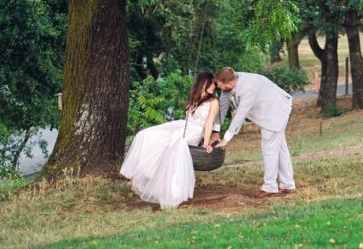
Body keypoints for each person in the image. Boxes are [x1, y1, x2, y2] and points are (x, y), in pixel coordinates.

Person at [120, 71, 220, 209]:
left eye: (215, 84)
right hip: (182, 125)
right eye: (213, 83)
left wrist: (205, 142)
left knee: (171, 142)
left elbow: (209, 123)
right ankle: (141, 175)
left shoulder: (213, 101)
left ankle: (166, 190)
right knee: (146, 135)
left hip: (194, 132)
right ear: (204, 83)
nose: (215, 86)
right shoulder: (195, 97)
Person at [214, 66, 296, 197]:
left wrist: (226, 139)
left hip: (276, 110)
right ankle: (288, 184)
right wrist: (215, 132)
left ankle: (270, 187)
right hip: (267, 111)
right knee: (280, 148)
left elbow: (240, 114)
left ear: (230, 83)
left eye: (220, 85)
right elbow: (222, 109)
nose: (219, 88)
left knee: (268, 146)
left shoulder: (248, 87)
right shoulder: (228, 85)